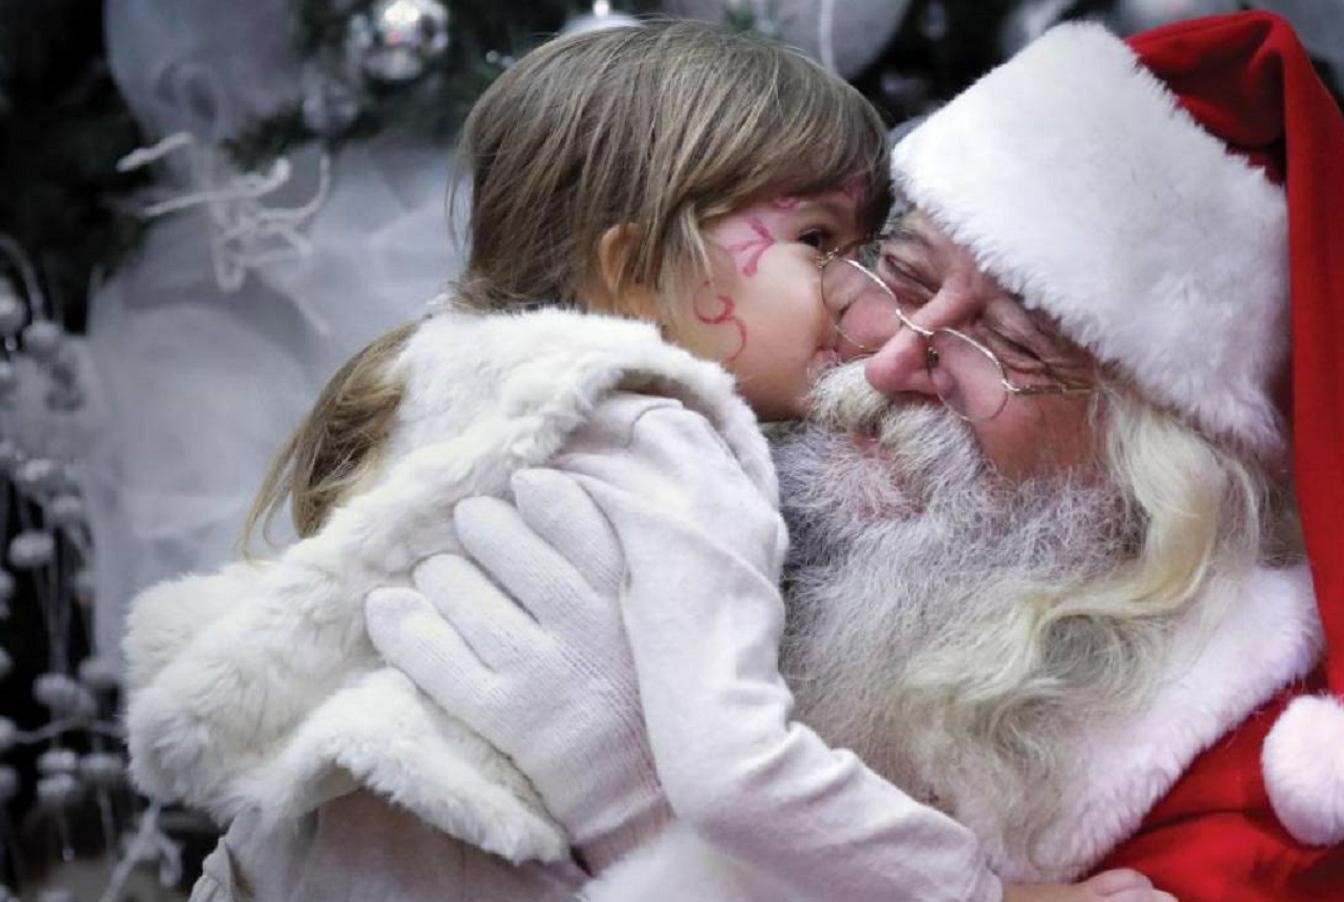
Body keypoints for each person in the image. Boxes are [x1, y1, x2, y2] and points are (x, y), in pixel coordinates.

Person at [371, 11, 1344, 900]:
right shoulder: (688, 458)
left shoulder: (1236, 789)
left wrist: (630, 825)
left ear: (1156, 465)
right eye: (906, 276)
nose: (888, 363)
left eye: (1008, 345)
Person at [123, 21, 1154, 902]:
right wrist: (983, 887)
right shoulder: (669, 440)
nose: (860, 297)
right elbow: (734, 773)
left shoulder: (459, 374)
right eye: (814, 237)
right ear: (628, 269)